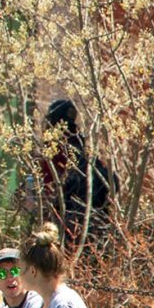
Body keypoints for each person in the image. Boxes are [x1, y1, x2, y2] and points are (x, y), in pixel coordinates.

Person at [37, 99, 112, 243]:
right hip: (94, 220)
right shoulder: (80, 144)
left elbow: (48, 185)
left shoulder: (56, 147)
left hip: (67, 221)